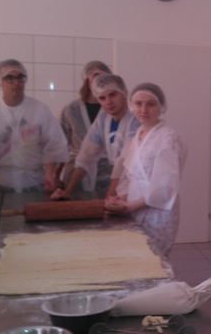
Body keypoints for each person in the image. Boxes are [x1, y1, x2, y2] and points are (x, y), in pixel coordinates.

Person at [105, 83, 184, 255]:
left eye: (150, 104)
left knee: (154, 260)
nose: (143, 110)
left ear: (161, 107)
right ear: (131, 105)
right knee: (135, 258)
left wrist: (130, 206)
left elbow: (165, 186)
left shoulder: (168, 138)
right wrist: (120, 198)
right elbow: (130, 175)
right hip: (134, 207)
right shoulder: (137, 136)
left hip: (158, 212)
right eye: (138, 104)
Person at [0, 59, 68, 194]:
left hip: (36, 181)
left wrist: (49, 174)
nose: (16, 83)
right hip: (2, 183)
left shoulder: (40, 110)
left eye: (20, 77)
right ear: (0, 81)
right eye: (10, 78)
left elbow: (54, 144)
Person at [51, 73, 138, 200]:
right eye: (102, 98)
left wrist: (110, 194)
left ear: (124, 93)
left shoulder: (136, 119)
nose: (108, 102)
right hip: (120, 187)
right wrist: (68, 191)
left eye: (113, 95)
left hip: (137, 185)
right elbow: (86, 156)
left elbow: (124, 161)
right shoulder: (103, 118)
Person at [59, 60, 112, 194]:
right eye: (95, 76)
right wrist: (55, 175)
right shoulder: (71, 110)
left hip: (108, 173)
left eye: (103, 78)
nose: (99, 82)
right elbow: (61, 146)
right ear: (87, 80)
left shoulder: (113, 109)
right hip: (76, 172)